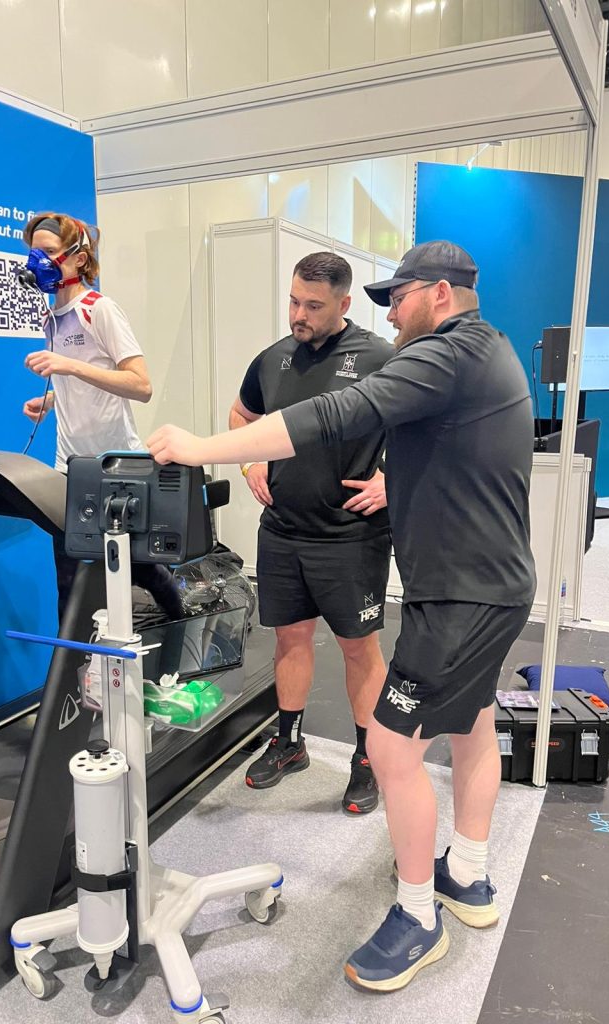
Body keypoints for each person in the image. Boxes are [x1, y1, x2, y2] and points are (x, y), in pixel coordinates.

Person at [146, 240, 536, 993]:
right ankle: (469, 876)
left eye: (402, 296)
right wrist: (403, 482)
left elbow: (334, 414)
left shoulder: (449, 351)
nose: (392, 308)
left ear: (443, 296)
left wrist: (203, 448)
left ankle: (419, 918)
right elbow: (456, 449)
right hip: (485, 585)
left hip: (462, 595)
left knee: (392, 751)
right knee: (474, 725)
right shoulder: (484, 353)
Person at [229, 252, 392, 814]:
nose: (299, 314)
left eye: (313, 306)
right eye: (294, 300)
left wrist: (391, 479)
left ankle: (369, 758)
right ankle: (290, 742)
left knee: (358, 649)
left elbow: (430, 432)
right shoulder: (272, 359)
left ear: (344, 304)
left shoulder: (380, 357)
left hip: (351, 534)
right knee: (290, 639)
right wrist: (249, 465)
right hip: (283, 530)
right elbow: (240, 416)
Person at [21, 211, 183, 622]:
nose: (36, 261)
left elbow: (139, 385)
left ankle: (181, 624)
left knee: (142, 568)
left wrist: (69, 367)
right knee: (68, 578)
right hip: (69, 468)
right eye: (32, 252)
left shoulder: (100, 309)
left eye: (48, 252)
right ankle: (75, 675)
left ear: (77, 258)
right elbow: (86, 379)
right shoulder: (51, 318)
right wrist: (54, 400)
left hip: (117, 466)